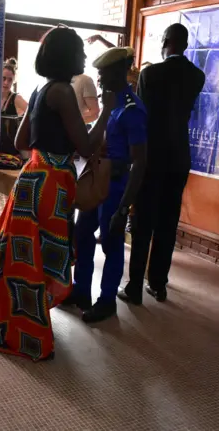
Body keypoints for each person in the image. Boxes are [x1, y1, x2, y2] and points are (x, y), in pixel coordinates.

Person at [0, 26, 111, 360]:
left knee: (19, 251)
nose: (85, 57)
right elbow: (88, 147)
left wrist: (47, 151)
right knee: (40, 256)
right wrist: (106, 112)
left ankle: (4, 321)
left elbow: (20, 143)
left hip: (32, 177)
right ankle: (27, 333)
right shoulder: (62, 92)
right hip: (54, 184)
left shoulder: (40, 89)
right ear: (67, 55)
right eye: (80, 50)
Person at [119, 24, 205, 304]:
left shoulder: (150, 74)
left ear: (166, 41)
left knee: (143, 220)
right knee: (168, 222)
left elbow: (142, 116)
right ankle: (158, 284)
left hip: (152, 156)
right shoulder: (197, 76)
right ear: (185, 45)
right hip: (179, 157)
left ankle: (134, 287)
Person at [69, 47, 147, 323]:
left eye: (105, 73)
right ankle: (81, 290)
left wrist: (124, 207)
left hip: (115, 185)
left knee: (111, 244)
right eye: (99, 73)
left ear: (121, 71)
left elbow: (140, 162)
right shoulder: (110, 104)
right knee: (82, 234)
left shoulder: (131, 109)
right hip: (97, 180)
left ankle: (106, 301)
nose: (99, 78)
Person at [0, 58, 28, 158]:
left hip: (12, 153)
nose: (6, 83)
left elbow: (33, 115)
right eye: (3, 78)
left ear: (14, 81)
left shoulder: (16, 98)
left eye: (10, 79)